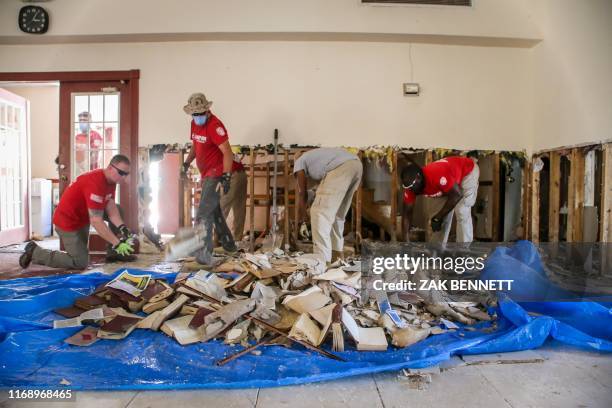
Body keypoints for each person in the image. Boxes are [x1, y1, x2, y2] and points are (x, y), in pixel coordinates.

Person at [19, 154, 136, 270]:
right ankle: (34, 251)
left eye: (126, 174)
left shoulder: (111, 181)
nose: (124, 177)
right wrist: (117, 242)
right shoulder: (95, 183)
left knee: (118, 208)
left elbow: (110, 206)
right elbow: (96, 221)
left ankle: (114, 253)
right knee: (79, 262)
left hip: (84, 216)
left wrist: (122, 227)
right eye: (121, 173)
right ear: (110, 168)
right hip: (68, 222)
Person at [182, 92, 242, 264]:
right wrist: (186, 163)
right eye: (195, 114)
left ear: (208, 110)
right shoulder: (194, 124)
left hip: (216, 173)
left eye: (201, 113)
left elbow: (228, 152)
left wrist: (227, 176)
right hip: (205, 173)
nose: (198, 117)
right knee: (214, 211)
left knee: (203, 213)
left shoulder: (216, 126)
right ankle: (229, 246)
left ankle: (203, 256)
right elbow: (196, 145)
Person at [294, 147, 362, 263]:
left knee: (319, 213)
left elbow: (302, 193)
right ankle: (337, 259)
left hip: (341, 167)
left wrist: (303, 219)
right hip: (356, 166)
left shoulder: (299, 161)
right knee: (337, 217)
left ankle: (322, 262)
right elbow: (315, 192)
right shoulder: (319, 158)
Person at [401, 156, 479, 244]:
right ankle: (436, 250)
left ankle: (464, 250)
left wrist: (439, 217)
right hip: (448, 184)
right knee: (437, 217)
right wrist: (405, 243)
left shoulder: (435, 174)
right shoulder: (410, 187)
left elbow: (457, 195)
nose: (410, 190)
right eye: (407, 187)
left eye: (412, 186)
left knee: (461, 210)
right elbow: (407, 214)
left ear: (419, 177)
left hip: (467, 171)